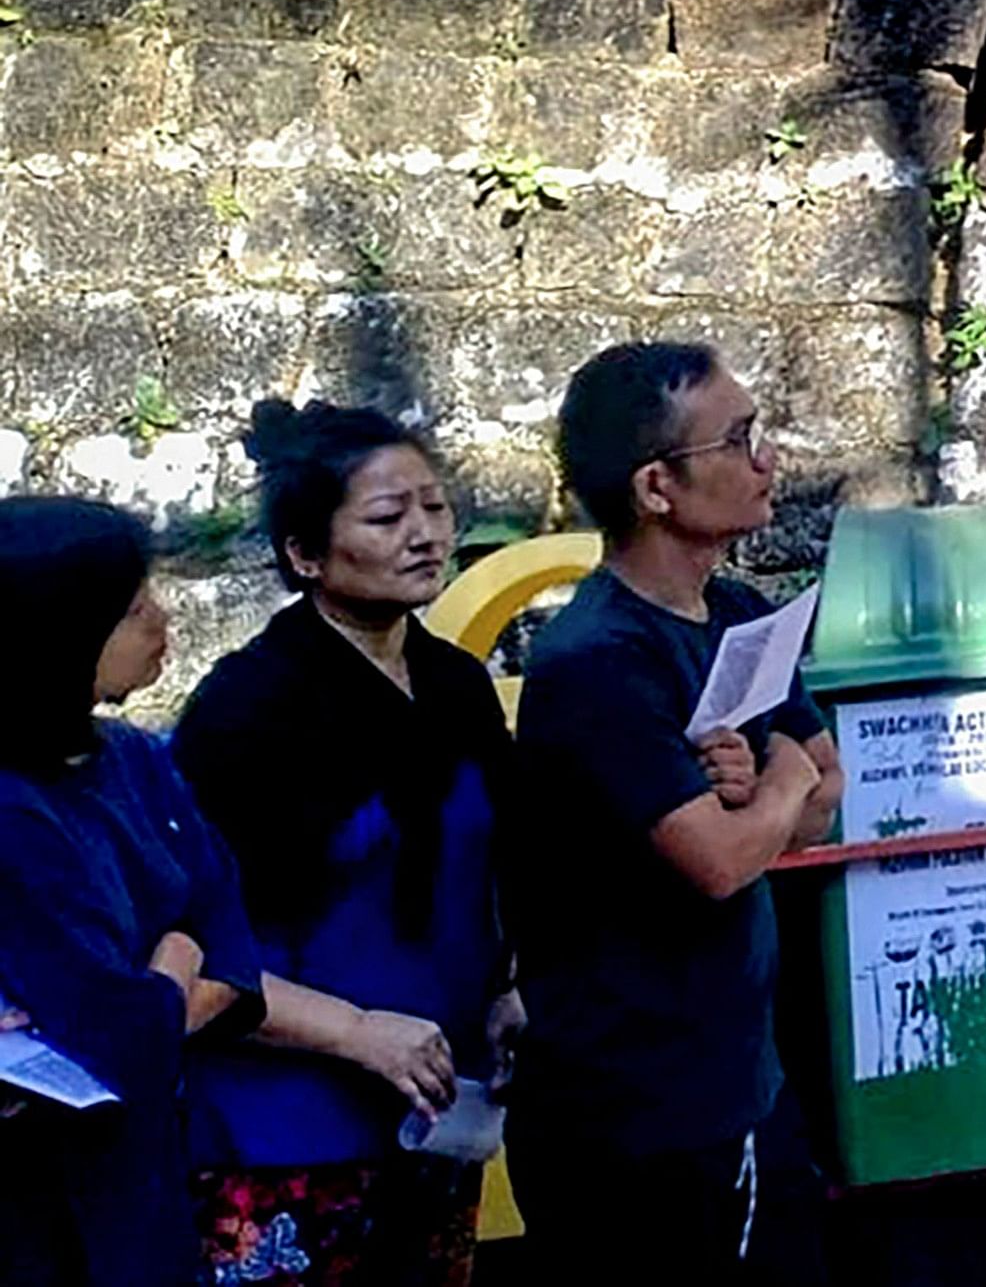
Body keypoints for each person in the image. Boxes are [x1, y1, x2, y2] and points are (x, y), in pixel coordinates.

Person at [505, 343, 840, 1287]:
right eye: (738, 440)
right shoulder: (597, 659)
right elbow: (724, 856)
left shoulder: (736, 610)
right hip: (631, 1115)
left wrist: (763, 792)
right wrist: (770, 782)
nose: (767, 460)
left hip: (742, 1080)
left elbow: (826, 796)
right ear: (657, 486)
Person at [172, 404, 516, 1287]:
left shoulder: (455, 683)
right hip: (282, 1126)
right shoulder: (248, 709)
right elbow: (201, 942)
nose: (424, 535)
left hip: (437, 1105)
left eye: (435, 508)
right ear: (305, 555)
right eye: (386, 516)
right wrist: (358, 1033)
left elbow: (501, 862)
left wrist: (511, 986)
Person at [0, 497, 264, 1287]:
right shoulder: (16, 809)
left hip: (139, 1192)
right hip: (39, 1212)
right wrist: (181, 952)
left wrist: (168, 972)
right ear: (60, 635)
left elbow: (233, 929)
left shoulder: (133, 757)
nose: (161, 617)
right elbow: (117, 1035)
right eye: (131, 606)